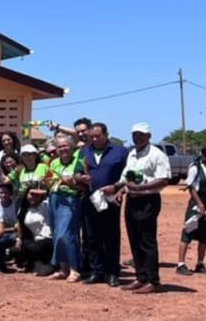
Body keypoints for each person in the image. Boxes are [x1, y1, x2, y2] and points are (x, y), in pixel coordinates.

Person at [115, 122, 170, 294]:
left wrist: (142, 188)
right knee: (134, 238)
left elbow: (164, 179)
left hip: (148, 200)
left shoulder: (157, 155)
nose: (137, 137)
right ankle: (141, 277)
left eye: (141, 134)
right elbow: (126, 177)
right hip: (132, 200)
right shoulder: (132, 154)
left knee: (147, 241)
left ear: (149, 136)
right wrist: (120, 189)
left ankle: (153, 281)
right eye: (135, 134)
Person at [80, 122, 127, 287]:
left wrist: (119, 189)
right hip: (90, 199)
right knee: (92, 237)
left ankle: (112, 273)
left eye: (98, 136)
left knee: (111, 237)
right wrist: (80, 178)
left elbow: (129, 174)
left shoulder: (120, 152)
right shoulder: (84, 151)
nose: (95, 139)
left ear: (106, 135)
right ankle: (96, 271)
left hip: (111, 200)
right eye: (92, 136)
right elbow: (77, 172)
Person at [176, 146, 206, 276]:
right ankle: (181, 264)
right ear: (205, 157)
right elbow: (191, 188)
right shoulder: (195, 168)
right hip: (195, 208)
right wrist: (200, 204)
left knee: (204, 236)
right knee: (187, 234)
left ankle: (200, 263)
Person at [47, 137, 85, 282]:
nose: (63, 149)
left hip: (70, 199)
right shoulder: (54, 162)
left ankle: (75, 269)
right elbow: (49, 180)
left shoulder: (78, 161)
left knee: (67, 234)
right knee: (57, 234)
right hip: (54, 198)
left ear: (72, 147)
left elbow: (81, 185)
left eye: (66, 145)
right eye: (60, 146)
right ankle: (63, 268)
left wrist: (69, 182)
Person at [17, 187, 54, 276]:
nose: (33, 197)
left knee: (35, 248)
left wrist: (42, 191)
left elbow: (52, 193)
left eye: (36, 195)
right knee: (17, 250)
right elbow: (20, 225)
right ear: (26, 195)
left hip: (49, 238)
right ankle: (38, 264)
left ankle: (51, 264)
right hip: (35, 239)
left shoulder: (46, 205)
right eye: (31, 194)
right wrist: (19, 239)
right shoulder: (23, 210)